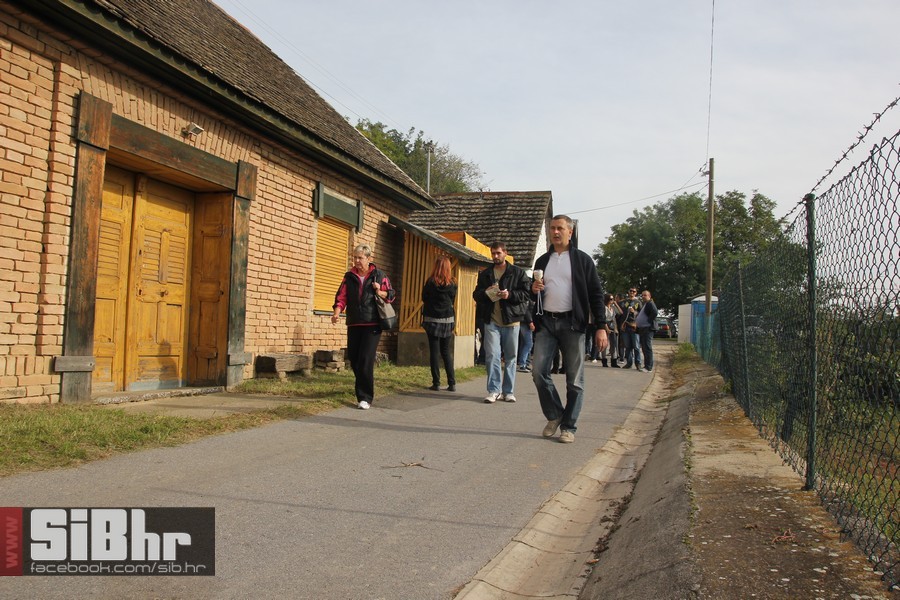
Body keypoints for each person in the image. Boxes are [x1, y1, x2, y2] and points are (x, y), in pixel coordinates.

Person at [531, 215, 608, 443]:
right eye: (552, 228)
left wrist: (601, 326)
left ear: (570, 232)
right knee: (538, 373)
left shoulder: (583, 261)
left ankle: (569, 427)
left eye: (560, 228)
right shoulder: (542, 261)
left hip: (573, 324)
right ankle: (555, 414)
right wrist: (533, 289)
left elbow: (596, 294)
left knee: (574, 380)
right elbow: (534, 292)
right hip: (546, 322)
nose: (555, 232)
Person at [331, 245, 395, 410]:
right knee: (354, 358)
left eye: (360, 258)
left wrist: (380, 292)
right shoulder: (349, 276)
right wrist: (337, 312)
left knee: (366, 359)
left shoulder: (378, 275)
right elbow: (341, 296)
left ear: (368, 258)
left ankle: (364, 397)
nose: (357, 261)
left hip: (372, 323)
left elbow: (391, 295)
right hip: (354, 322)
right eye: (355, 257)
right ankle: (364, 383)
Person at [473, 242, 531, 404]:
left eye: (498, 253)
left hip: (511, 321)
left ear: (505, 253)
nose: (495, 256)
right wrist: (486, 292)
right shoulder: (485, 274)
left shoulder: (518, 273)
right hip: (491, 320)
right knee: (492, 355)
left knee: (511, 357)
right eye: (493, 254)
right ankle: (493, 390)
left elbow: (526, 294)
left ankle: (508, 391)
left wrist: (509, 295)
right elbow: (476, 294)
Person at [421, 256, 457, 391]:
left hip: (432, 320)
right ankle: (452, 383)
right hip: (447, 320)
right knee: (446, 352)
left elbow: (424, 298)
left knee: (434, 352)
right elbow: (452, 299)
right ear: (448, 267)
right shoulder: (453, 283)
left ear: (436, 266)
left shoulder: (430, 282)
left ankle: (436, 383)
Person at [635, 289, 659, 372]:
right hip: (643, 328)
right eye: (642, 295)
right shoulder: (646, 304)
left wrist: (648, 321)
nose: (643, 297)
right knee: (644, 348)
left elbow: (655, 312)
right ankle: (646, 366)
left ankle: (648, 367)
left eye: (645, 295)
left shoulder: (650, 304)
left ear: (649, 296)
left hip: (648, 328)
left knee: (647, 348)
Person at [620, 287, 642, 370]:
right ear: (628, 292)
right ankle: (629, 363)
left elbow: (641, 313)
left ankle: (638, 363)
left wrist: (634, 312)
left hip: (634, 326)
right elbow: (621, 312)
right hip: (626, 326)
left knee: (636, 346)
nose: (632, 292)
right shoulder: (624, 302)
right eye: (630, 291)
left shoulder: (638, 302)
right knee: (628, 346)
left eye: (634, 291)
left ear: (636, 293)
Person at [601, 293, 622, 367]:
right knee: (605, 344)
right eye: (610, 299)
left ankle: (614, 361)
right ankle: (604, 361)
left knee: (614, 344)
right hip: (605, 325)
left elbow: (620, 312)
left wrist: (616, 304)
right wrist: (606, 329)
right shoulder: (604, 308)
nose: (612, 301)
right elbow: (603, 319)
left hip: (613, 325)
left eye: (612, 299)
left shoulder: (613, 307)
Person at [517, 300, 535, 373]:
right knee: (529, 343)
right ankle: (522, 364)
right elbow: (526, 310)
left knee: (524, 343)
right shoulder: (528, 297)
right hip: (525, 322)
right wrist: (530, 322)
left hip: (524, 321)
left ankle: (524, 363)